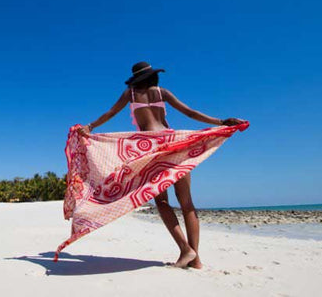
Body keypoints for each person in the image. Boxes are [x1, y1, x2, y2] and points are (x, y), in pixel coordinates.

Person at [78, 61, 247, 269]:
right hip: (174, 143)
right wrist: (221, 122)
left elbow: (111, 113)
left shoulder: (131, 94)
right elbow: (190, 113)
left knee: (162, 202)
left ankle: (186, 250)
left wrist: (90, 127)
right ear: (153, 76)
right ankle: (196, 260)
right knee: (187, 203)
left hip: (152, 149)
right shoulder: (161, 92)